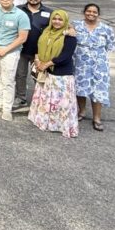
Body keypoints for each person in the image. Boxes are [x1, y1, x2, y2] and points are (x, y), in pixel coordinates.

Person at [28, 10, 79, 138]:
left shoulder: (69, 36)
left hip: (61, 74)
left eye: (60, 19)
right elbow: (38, 46)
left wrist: (47, 63)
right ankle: (45, 122)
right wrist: (38, 60)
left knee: (60, 102)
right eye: (54, 19)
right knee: (46, 99)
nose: (56, 21)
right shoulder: (46, 32)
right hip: (45, 71)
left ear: (65, 21)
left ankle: (60, 125)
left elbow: (65, 56)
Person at [74, 3, 115, 132]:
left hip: (99, 65)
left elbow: (110, 46)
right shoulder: (75, 25)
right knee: (80, 88)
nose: (91, 14)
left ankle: (97, 118)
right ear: (84, 12)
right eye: (88, 11)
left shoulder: (106, 29)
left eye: (94, 12)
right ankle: (81, 112)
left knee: (98, 91)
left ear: (98, 14)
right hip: (80, 63)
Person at [15, 0, 53, 110]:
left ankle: (40, 99)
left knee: (39, 76)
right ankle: (21, 98)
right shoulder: (18, 10)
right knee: (20, 75)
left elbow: (60, 25)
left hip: (39, 52)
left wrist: (71, 29)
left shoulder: (50, 13)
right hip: (21, 49)